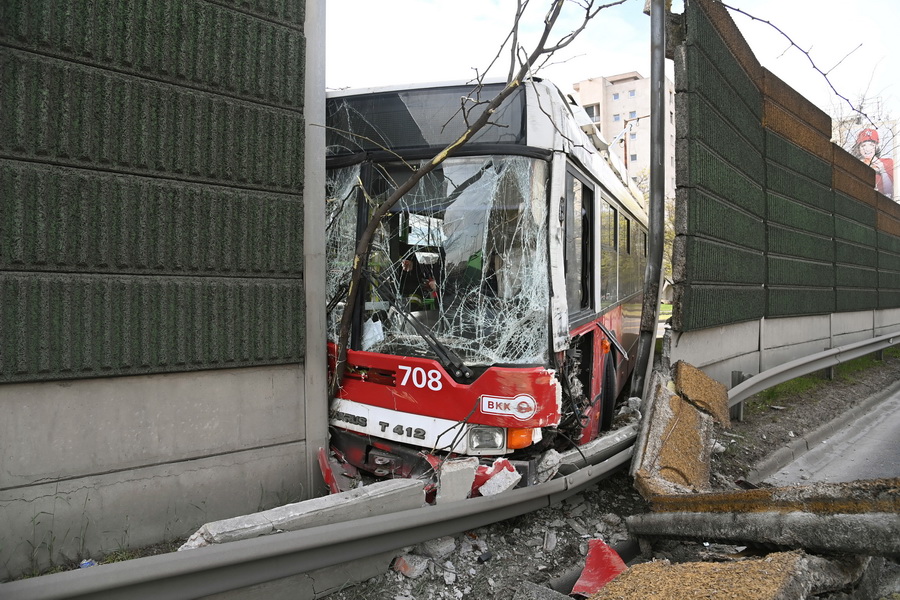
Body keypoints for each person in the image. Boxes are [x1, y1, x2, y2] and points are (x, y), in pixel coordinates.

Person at [854, 128, 893, 197]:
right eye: (863, 145)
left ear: (877, 147)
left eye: (871, 145)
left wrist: (883, 171)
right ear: (859, 148)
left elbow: (890, 192)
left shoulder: (888, 162)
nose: (867, 148)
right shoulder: (855, 164)